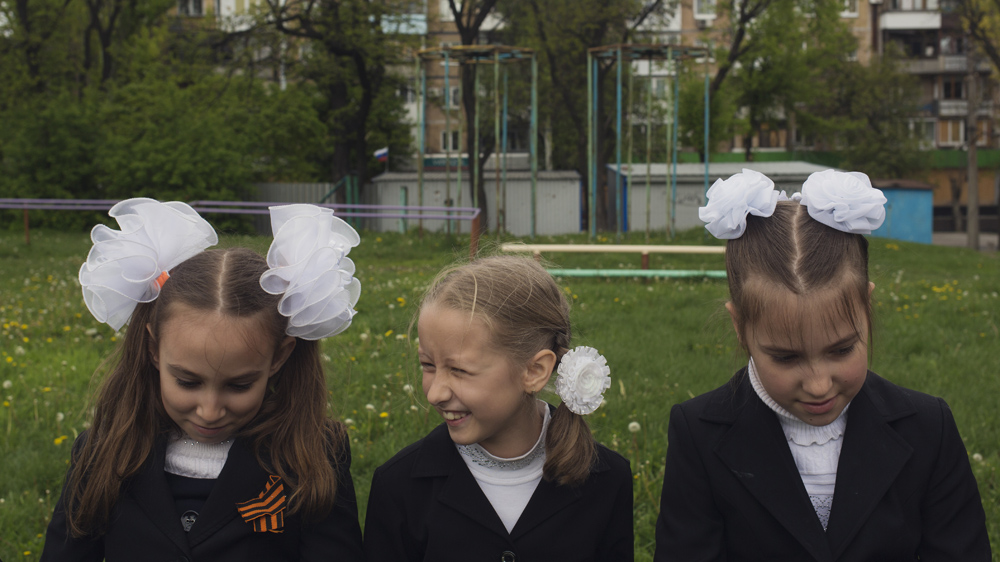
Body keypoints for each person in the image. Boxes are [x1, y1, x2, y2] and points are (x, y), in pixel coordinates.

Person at [654, 169, 991, 561]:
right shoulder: (699, 435)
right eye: (786, 357)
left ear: (867, 307)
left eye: (841, 350)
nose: (818, 385)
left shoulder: (929, 429)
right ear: (740, 327)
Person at [41, 199, 366, 562]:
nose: (210, 411)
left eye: (239, 386)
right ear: (153, 350)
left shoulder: (314, 455)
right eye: (187, 382)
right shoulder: (103, 450)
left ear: (279, 357)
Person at [364, 256, 634, 562]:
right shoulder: (399, 486)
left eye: (460, 370)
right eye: (428, 365)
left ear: (534, 371)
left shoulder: (607, 481)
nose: (435, 393)